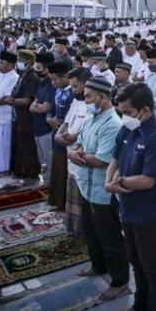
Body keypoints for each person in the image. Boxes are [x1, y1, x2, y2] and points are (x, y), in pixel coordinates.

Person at [105, 83, 156, 311]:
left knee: (151, 265)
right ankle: (140, 305)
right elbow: (116, 159)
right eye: (121, 112)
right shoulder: (128, 128)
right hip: (127, 207)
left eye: (128, 112)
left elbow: (148, 181)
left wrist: (118, 185)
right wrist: (110, 182)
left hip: (148, 211)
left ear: (144, 110)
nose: (124, 117)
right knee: (134, 258)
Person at [69, 76, 127, 301]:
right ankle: (98, 265)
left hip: (103, 190)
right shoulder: (92, 117)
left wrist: (77, 155)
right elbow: (80, 143)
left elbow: (102, 160)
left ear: (102, 97)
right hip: (87, 186)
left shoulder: (113, 123)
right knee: (91, 231)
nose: (85, 100)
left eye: (88, 96)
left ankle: (120, 280)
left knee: (110, 236)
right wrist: (76, 152)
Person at [56, 67, 92, 236]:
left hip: (81, 155)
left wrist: (72, 138)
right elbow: (67, 121)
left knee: (84, 199)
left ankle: (86, 231)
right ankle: (75, 228)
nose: (73, 89)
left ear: (86, 84)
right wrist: (59, 134)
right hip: (70, 152)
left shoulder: (93, 103)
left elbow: (89, 129)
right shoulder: (76, 100)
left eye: (76, 86)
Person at [8, 50, 41, 179]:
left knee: (26, 147)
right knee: (18, 145)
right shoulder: (23, 74)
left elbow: (28, 99)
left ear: (28, 61)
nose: (18, 62)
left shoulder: (32, 77)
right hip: (18, 115)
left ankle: (30, 172)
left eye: (20, 59)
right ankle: (20, 170)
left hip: (26, 117)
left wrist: (12, 101)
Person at [46, 61, 72, 210]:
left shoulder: (72, 94)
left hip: (65, 137)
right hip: (55, 135)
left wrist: (60, 123)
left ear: (65, 77)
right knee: (57, 170)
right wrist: (49, 119)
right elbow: (51, 109)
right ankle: (57, 202)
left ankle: (64, 204)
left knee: (64, 171)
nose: (53, 82)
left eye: (55, 79)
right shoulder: (58, 91)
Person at [30, 52, 57, 184]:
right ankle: (45, 182)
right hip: (37, 126)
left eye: (40, 67)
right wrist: (36, 107)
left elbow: (45, 108)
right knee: (42, 160)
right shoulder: (42, 82)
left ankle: (49, 184)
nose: (38, 70)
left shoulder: (53, 84)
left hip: (46, 128)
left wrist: (35, 107)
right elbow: (34, 104)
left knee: (49, 158)